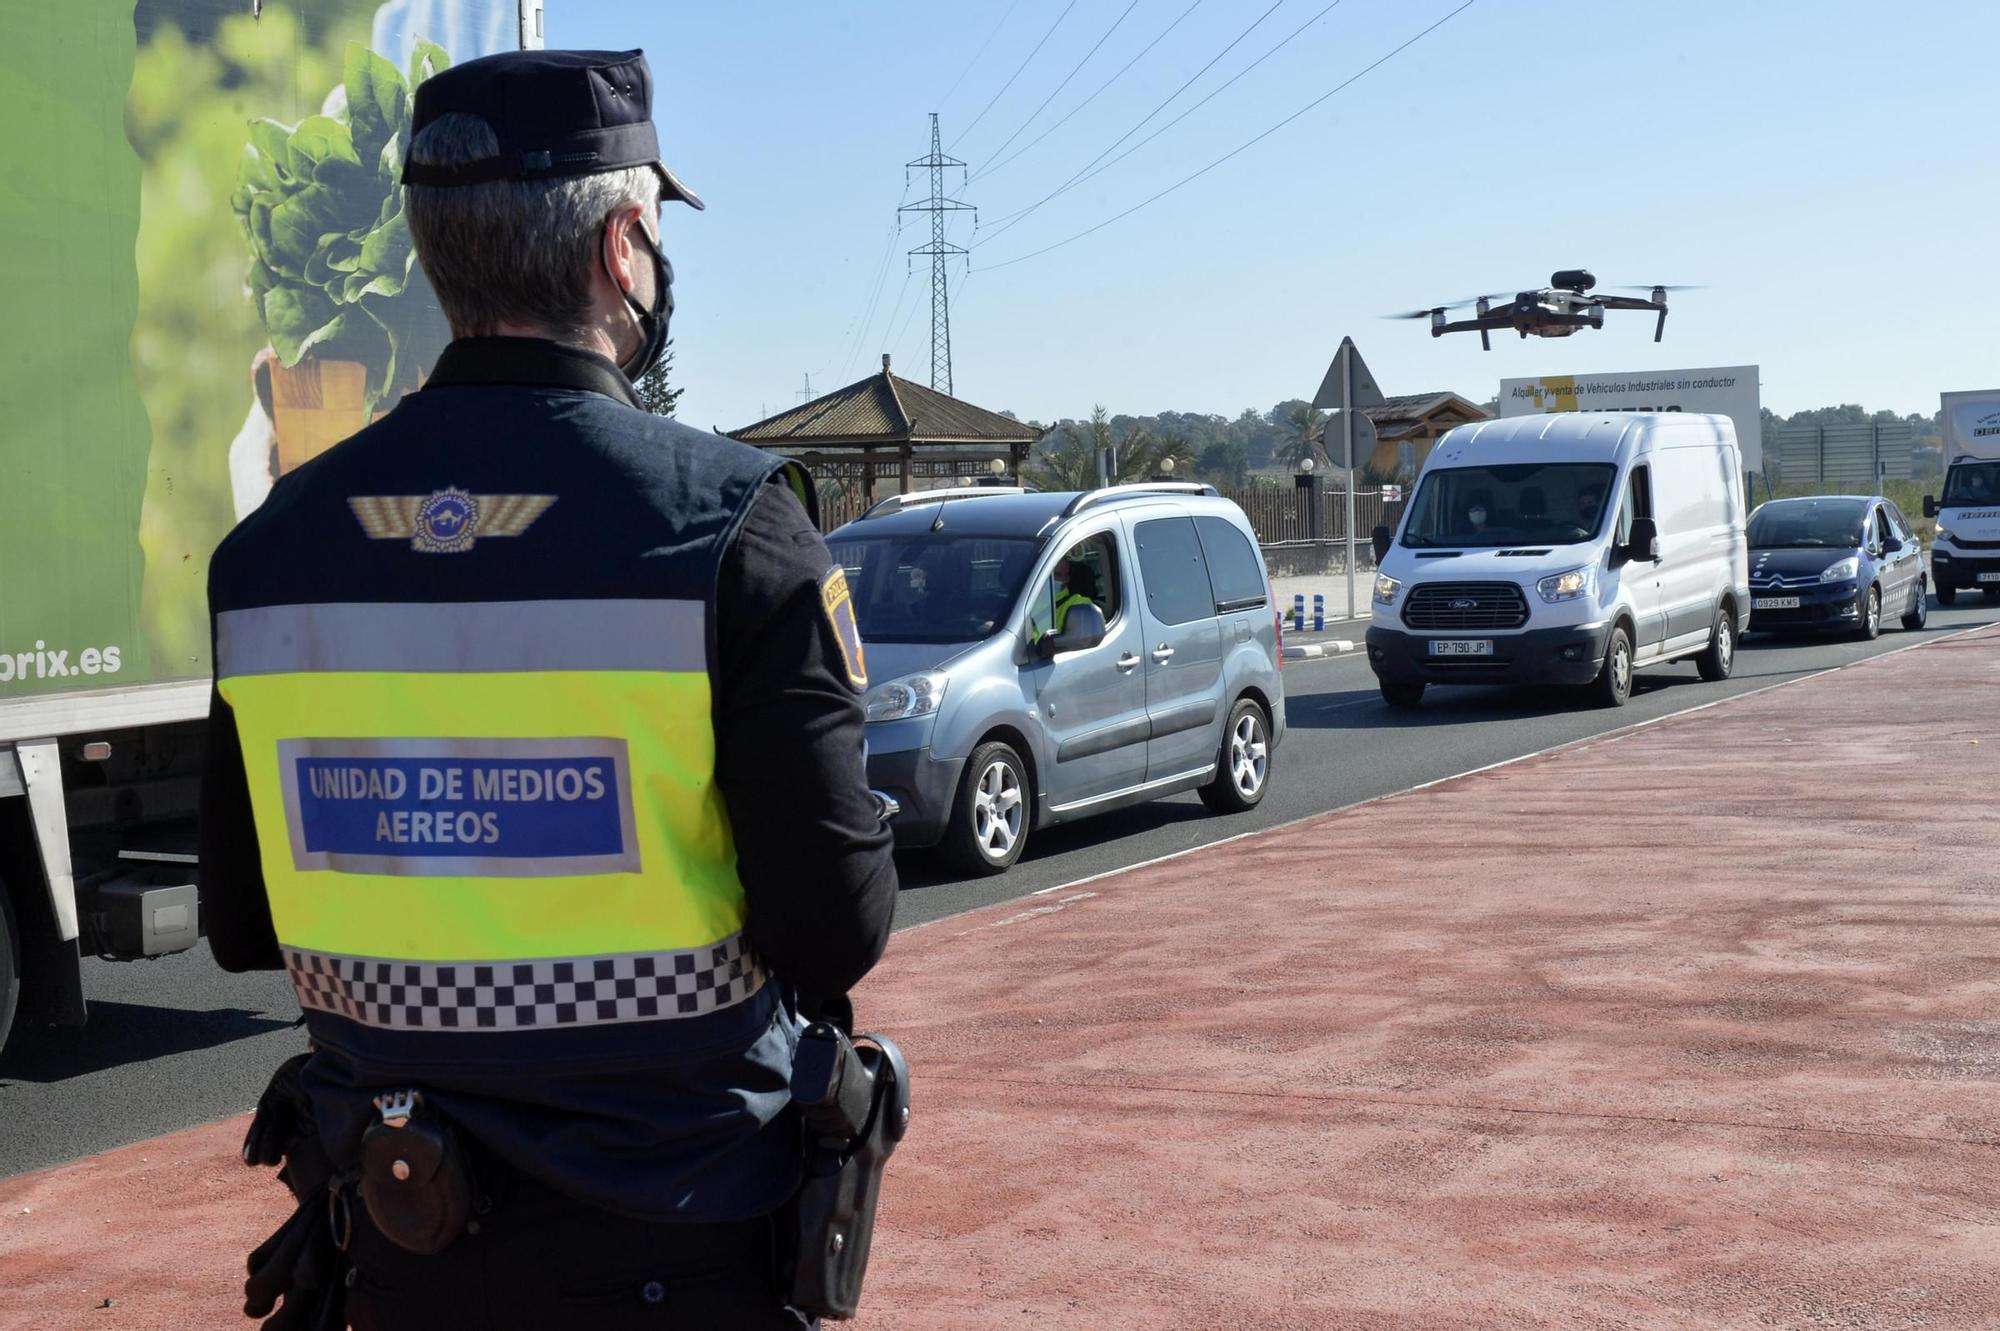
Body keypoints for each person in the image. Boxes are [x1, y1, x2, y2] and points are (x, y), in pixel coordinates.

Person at [198, 48, 897, 1330]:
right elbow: (833, 926)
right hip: (679, 1241)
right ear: (621, 244)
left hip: (400, 1239)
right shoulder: (733, 529)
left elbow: (243, 924)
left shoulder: (267, 555)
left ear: (434, 252)